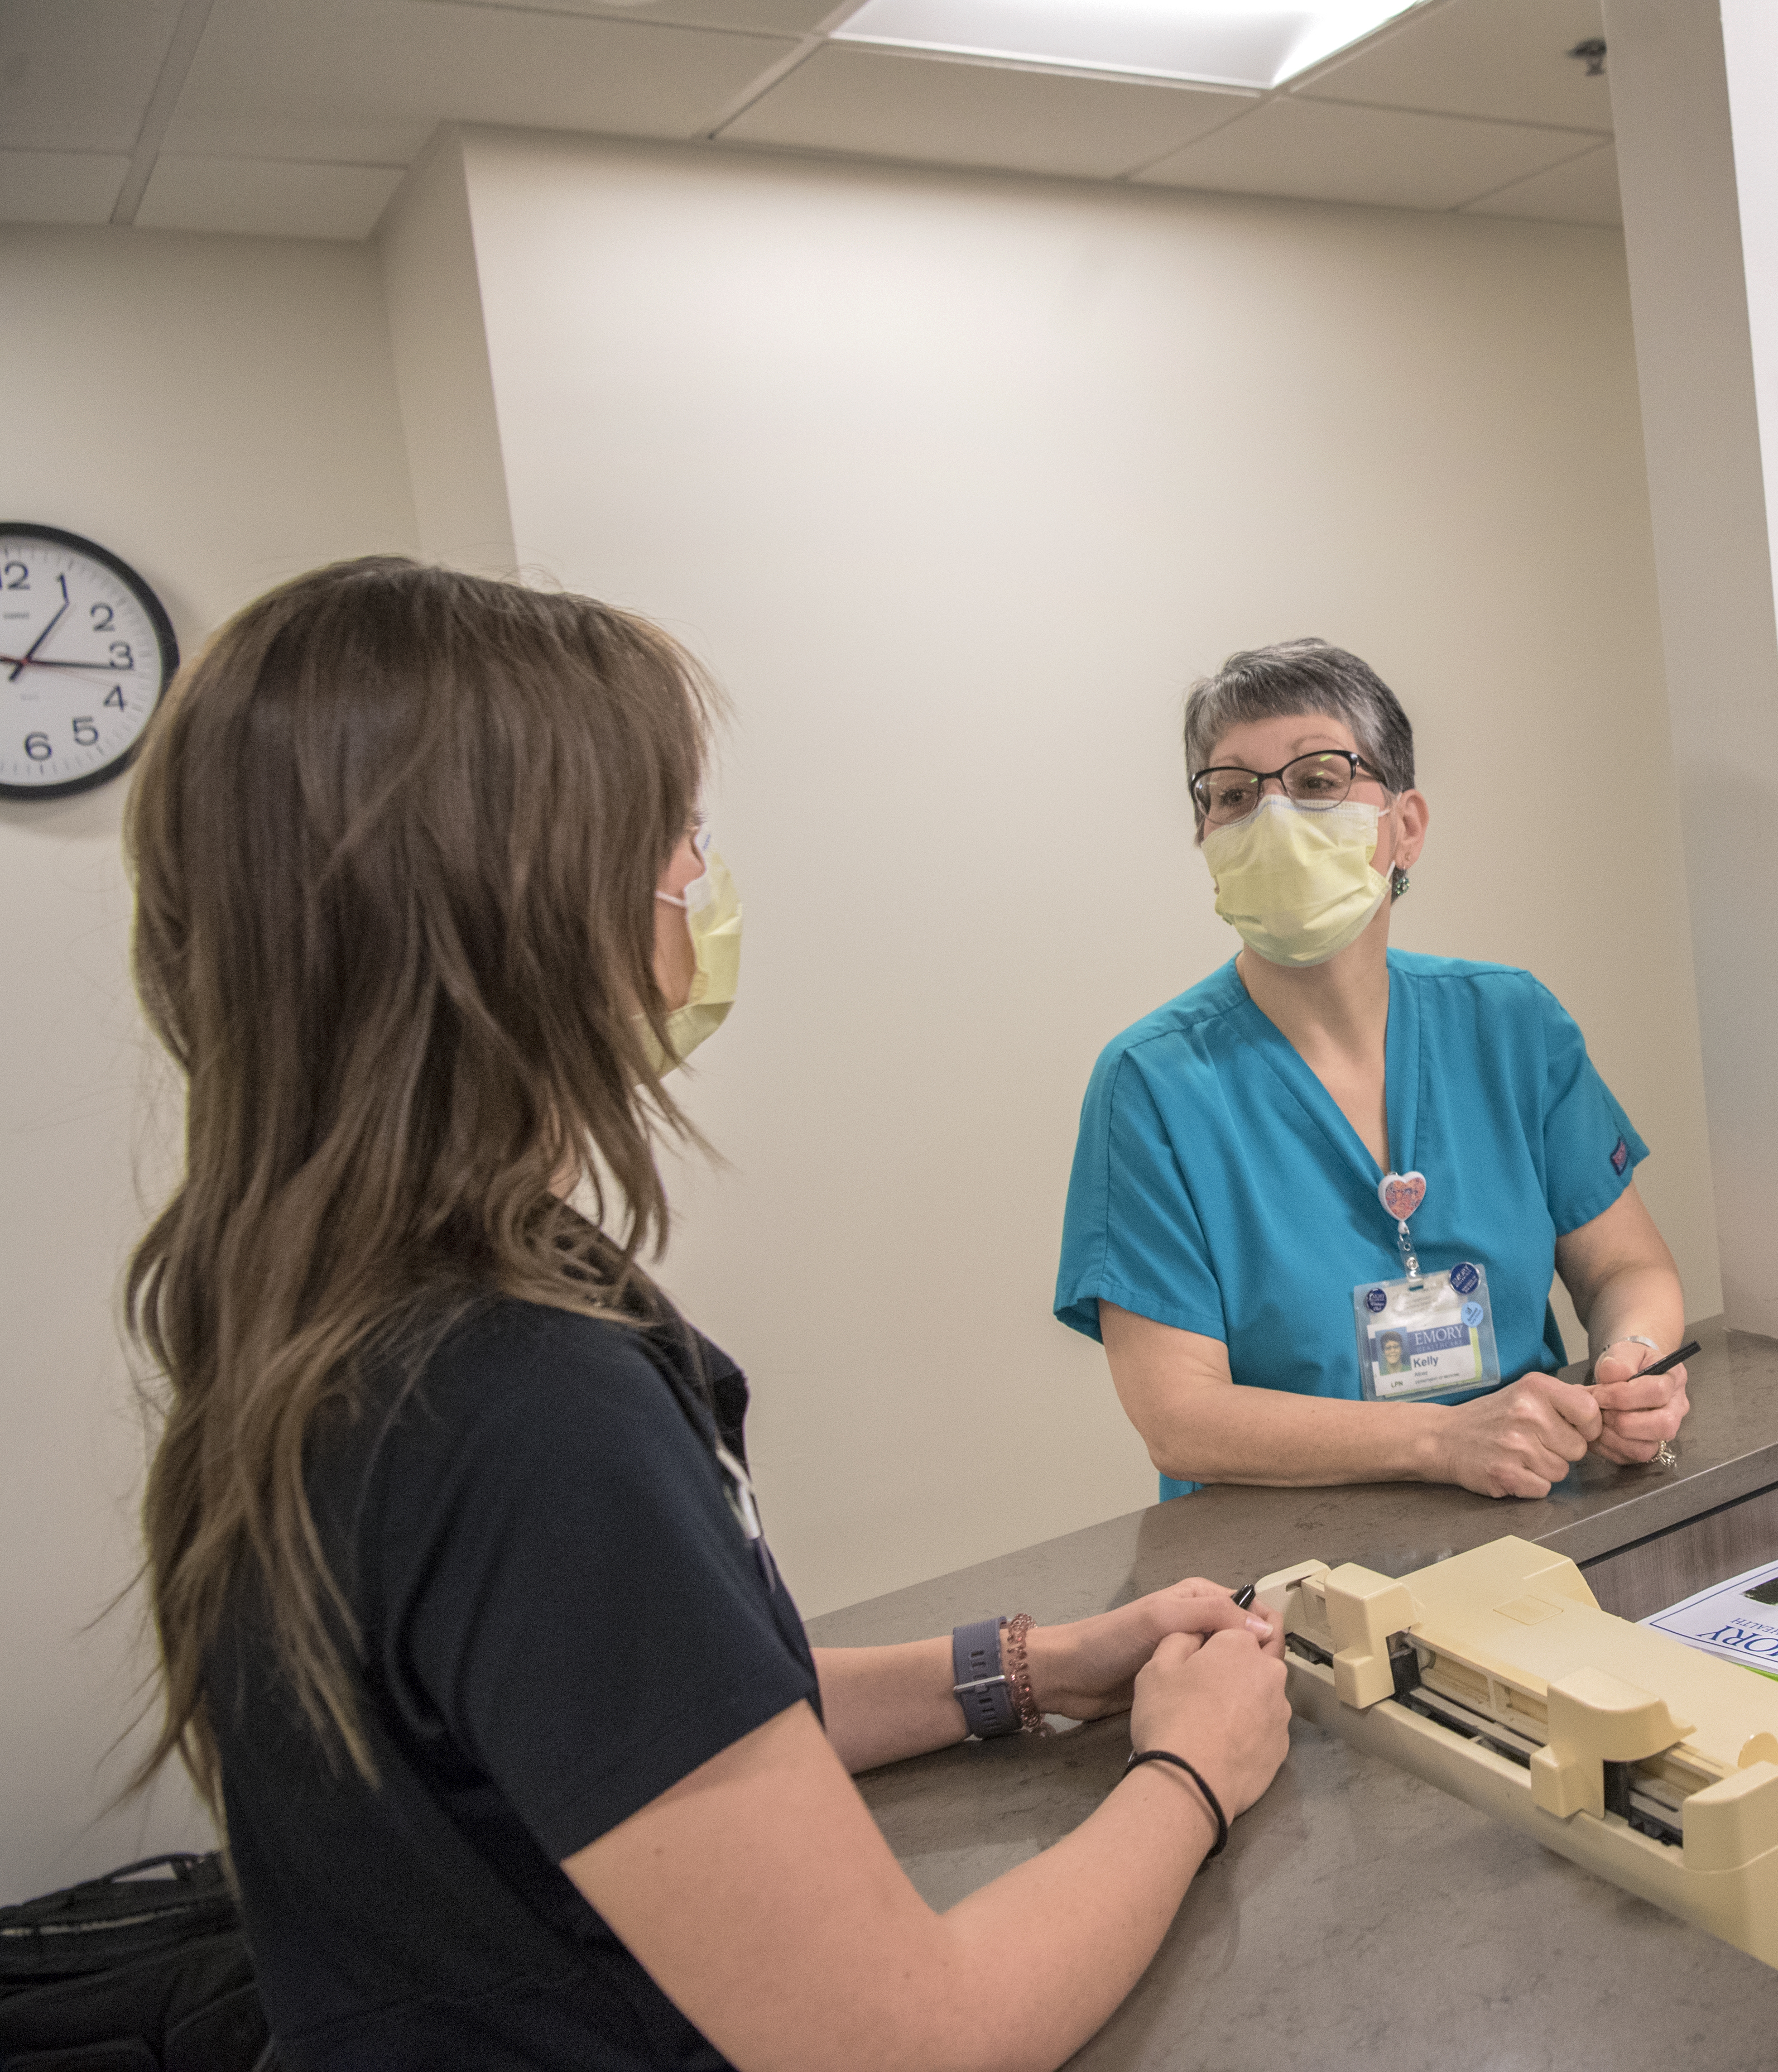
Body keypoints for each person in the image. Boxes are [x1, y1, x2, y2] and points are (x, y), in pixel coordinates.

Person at [126, 560, 1290, 2071]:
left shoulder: (346, 1303)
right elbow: (906, 2040)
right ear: (529, 900)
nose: (701, 879)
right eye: (676, 834)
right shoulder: (518, 1407)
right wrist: (1188, 1774)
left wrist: (1027, 1669)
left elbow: (661, 1720)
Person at [1058, 640, 1691, 1501]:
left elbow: (1628, 1271)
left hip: (1536, 1512)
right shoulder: (1155, 1086)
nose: (1272, 819)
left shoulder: (1509, 1023)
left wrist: (1634, 1365)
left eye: (1319, 780)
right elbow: (1181, 1419)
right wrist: (1443, 1438)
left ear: (1407, 827)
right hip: (1289, 1579)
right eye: (1235, 795)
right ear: (1208, 836)